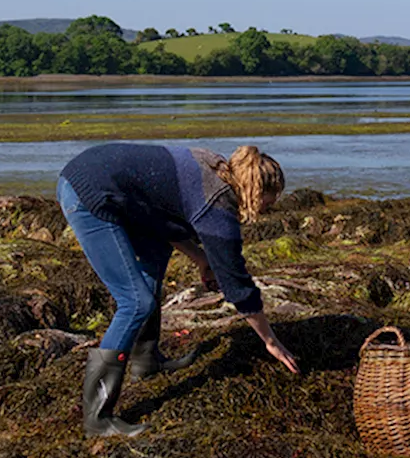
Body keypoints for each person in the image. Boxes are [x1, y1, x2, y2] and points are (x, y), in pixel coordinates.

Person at [57, 141, 299, 438]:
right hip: (89, 194)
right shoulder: (219, 205)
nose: (267, 210)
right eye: (269, 203)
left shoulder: (216, 168)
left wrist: (201, 259)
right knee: (135, 302)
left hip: (114, 188)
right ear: (256, 192)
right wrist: (270, 340)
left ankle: (147, 361)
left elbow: (162, 216)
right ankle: (97, 418)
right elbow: (237, 284)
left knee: (154, 265)